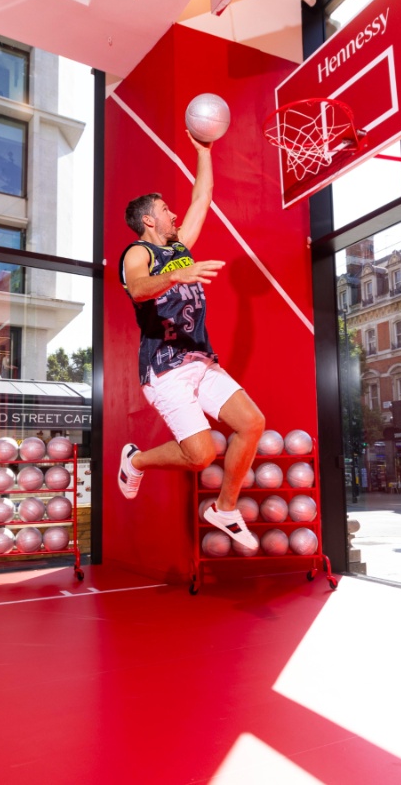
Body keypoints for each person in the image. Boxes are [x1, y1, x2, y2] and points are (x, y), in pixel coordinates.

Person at [115, 130, 263, 548]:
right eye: (165, 210)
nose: (173, 214)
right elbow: (139, 288)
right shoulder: (137, 253)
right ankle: (136, 459)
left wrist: (204, 153)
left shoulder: (180, 246)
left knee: (252, 424)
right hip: (164, 368)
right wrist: (178, 275)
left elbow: (203, 197)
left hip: (200, 359)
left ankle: (225, 508)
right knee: (201, 456)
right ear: (149, 220)